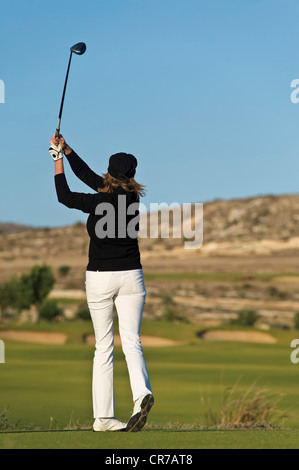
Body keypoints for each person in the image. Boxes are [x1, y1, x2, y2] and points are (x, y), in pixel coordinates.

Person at [49, 134, 154, 432]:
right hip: (132, 277)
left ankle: (104, 418)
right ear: (132, 175)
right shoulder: (133, 199)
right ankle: (141, 395)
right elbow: (89, 177)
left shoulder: (98, 201)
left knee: (104, 346)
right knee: (132, 342)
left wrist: (57, 160)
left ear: (109, 173)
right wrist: (67, 150)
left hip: (100, 279)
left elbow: (65, 196)